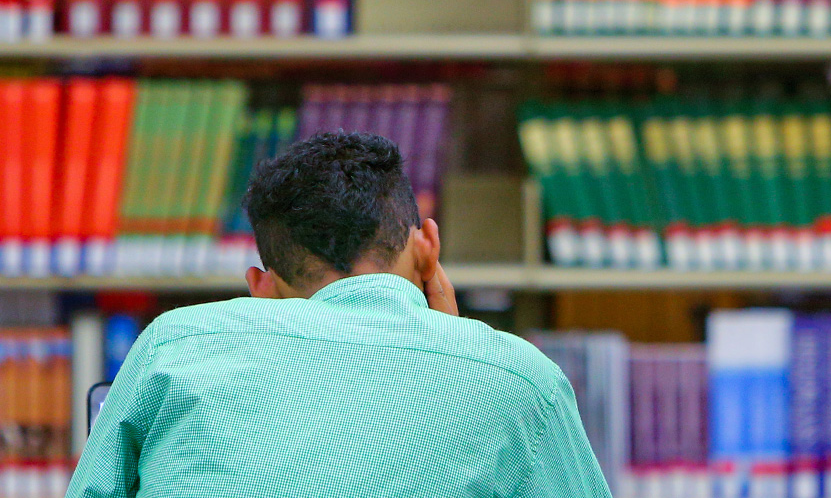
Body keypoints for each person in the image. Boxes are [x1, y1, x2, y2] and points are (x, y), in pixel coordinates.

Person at [68, 132, 611, 498]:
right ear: (427, 251)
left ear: (261, 288)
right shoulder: (519, 379)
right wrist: (459, 339)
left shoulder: (178, 346)